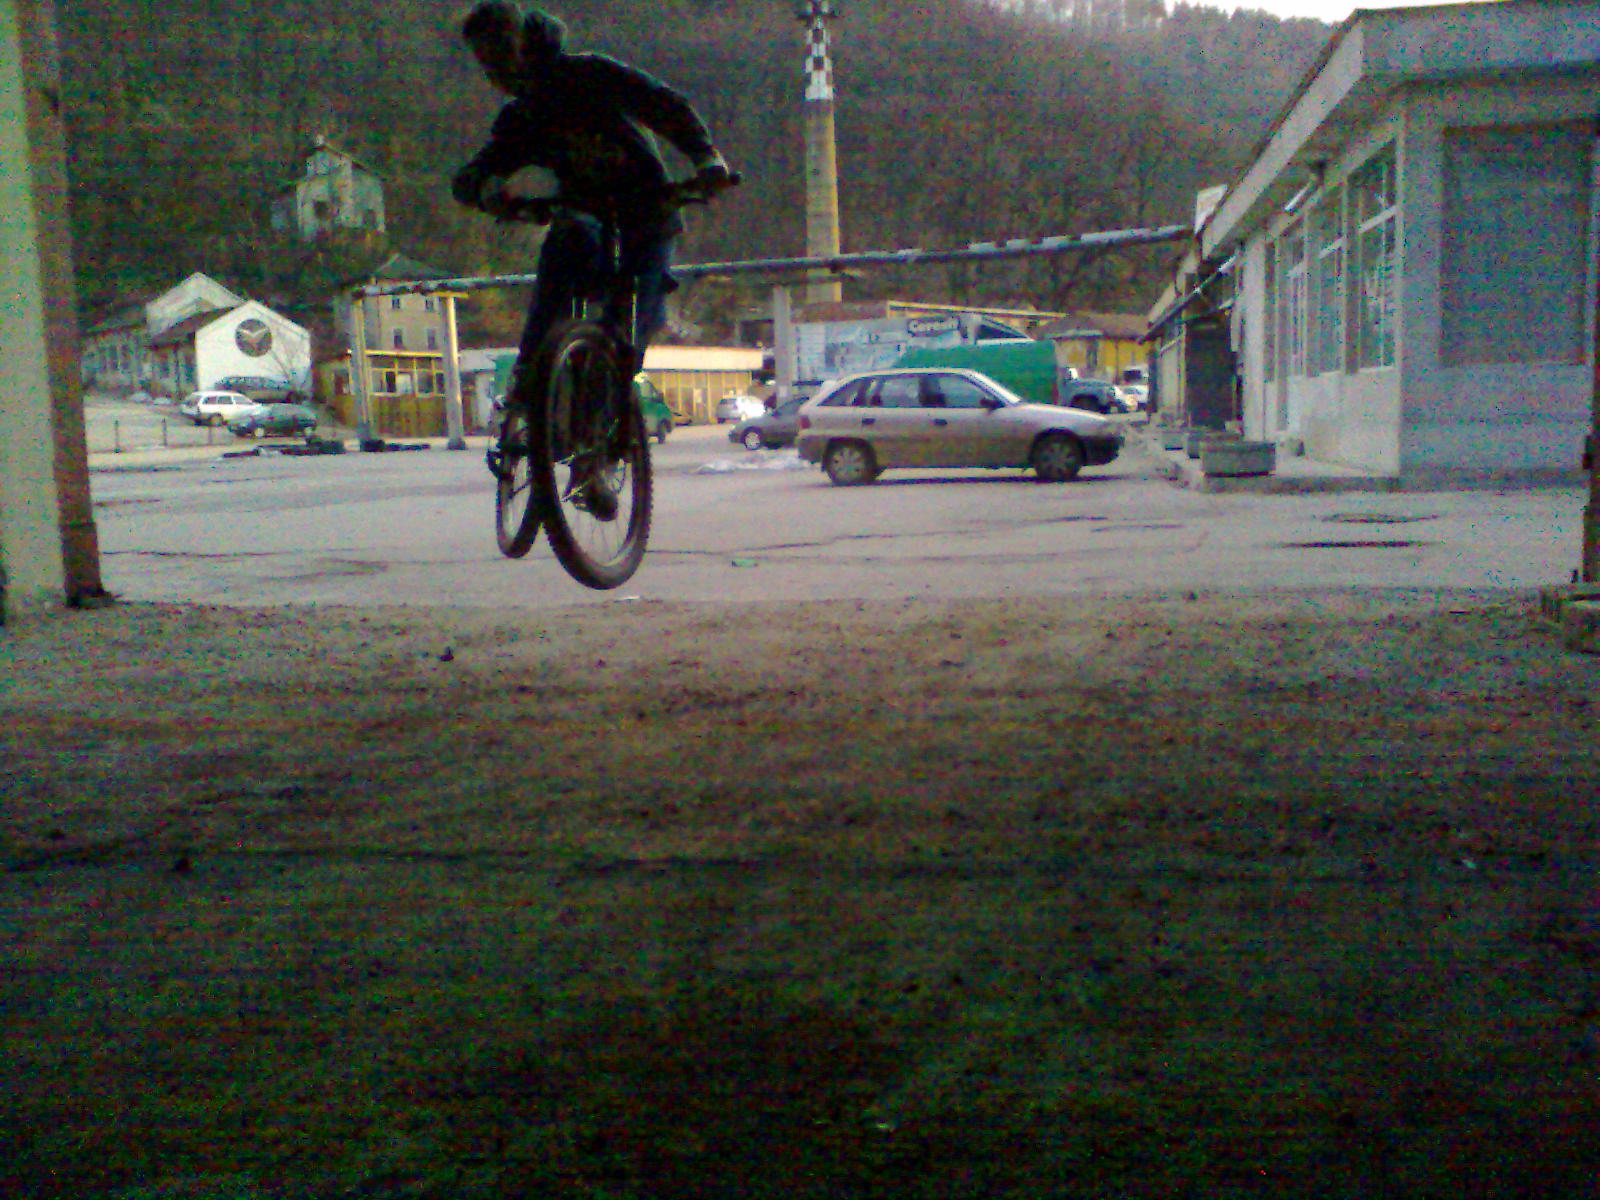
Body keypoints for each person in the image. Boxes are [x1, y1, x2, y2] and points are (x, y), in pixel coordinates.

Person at [452, 1, 735, 375]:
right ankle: (531, 380)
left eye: (501, 57)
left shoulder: (589, 74)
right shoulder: (523, 115)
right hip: (592, 214)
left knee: (628, 332)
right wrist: (487, 188)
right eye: (487, 65)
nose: (496, 74)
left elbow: (661, 104)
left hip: (646, 212)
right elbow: (477, 171)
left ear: (522, 42)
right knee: (565, 254)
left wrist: (706, 157)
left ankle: (593, 383)